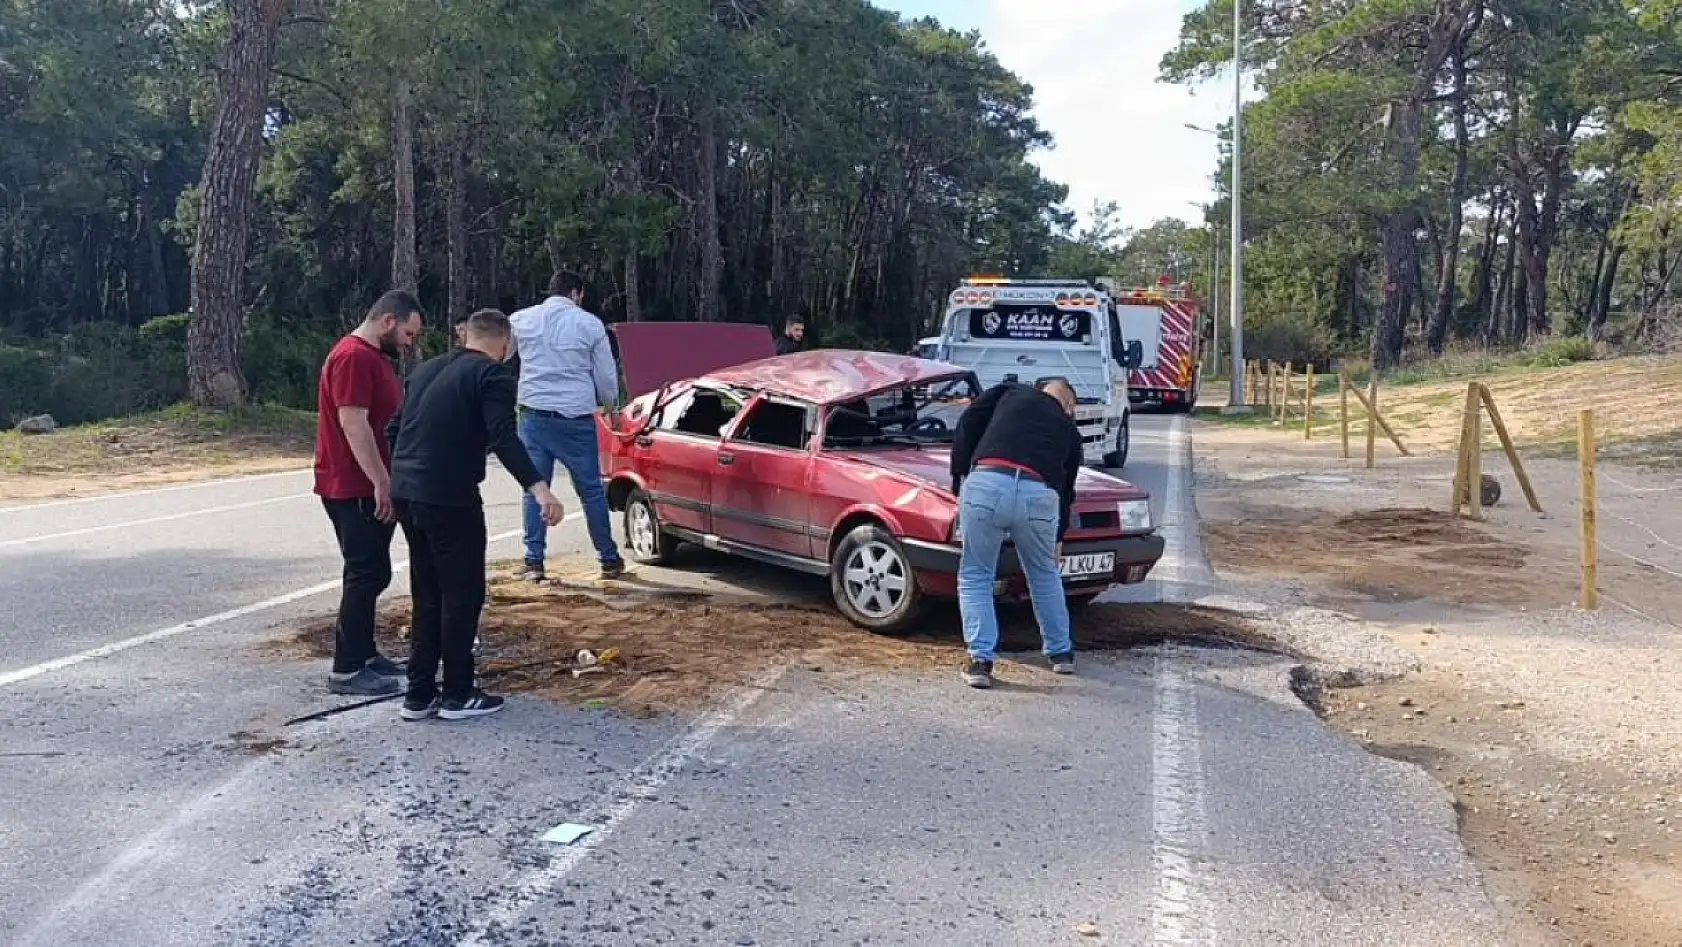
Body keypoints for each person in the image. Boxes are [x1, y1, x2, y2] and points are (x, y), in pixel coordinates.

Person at [387, 309, 567, 720]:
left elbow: (393, 430)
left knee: (427, 592)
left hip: (408, 492)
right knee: (462, 593)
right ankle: (457, 692)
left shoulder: (426, 371)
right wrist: (539, 488)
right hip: (449, 496)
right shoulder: (492, 376)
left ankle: (418, 693)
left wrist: (406, 472)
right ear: (504, 345)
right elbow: (503, 435)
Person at [313, 290, 425, 697]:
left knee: (374, 571)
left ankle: (363, 652)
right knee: (364, 573)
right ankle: (346, 669)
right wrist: (380, 480)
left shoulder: (373, 357)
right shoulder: (353, 357)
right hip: (354, 485)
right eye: (408, 334)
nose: (409, 344)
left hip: (368, 484)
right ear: (388, 321)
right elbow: (353, 422)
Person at [948, 377, 1084, 689]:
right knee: (1044, 574)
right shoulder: (1068, 429)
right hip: (1039, 493)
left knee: (976, 574)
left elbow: (969, 420)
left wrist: (960, 475)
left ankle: (980, 661)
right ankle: (1061, 653)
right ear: (1068, 405)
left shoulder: (1010, 391)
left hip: (987, 483)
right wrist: (1058, 536)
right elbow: (1067, 489)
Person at [508, 271, 623, 582]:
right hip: (575, 418)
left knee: (534, 488)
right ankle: (608, 557)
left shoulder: (522, 319)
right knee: (591, 491)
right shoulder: (590, 324)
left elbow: (503, 354)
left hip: (533, 415)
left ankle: (534, 560)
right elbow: (605, 375)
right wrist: (611, 406)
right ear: (577, 293)